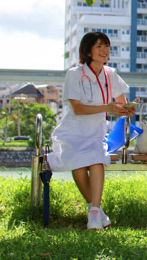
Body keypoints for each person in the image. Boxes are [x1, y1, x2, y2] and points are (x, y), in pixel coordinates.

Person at [47, 31, 137, 230]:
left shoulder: (111, 74)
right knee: (78, 164)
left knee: (96, 161)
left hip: (96, 133)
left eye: (106, 46)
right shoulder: (74, 74)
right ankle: (95, 210)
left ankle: (94, 212)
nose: (104, 50)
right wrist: (107, 107)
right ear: (88, 51)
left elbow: (121, 106)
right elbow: (77, 108)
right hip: (72, 131)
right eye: (98, 46)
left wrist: (128, 109)